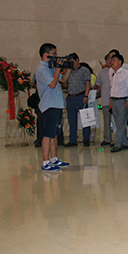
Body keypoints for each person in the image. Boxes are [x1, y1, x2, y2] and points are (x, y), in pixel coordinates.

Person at [35, 43, 70, 171]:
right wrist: (57, 70)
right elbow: (52, 84)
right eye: (54, 54)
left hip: (57, 104)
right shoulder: (42, 69)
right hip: (49, 105)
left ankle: (54, 159)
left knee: (54, 134)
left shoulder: (50, 68)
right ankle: (45, 161)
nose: (55, 56)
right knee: (47, 134)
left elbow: (63, 80)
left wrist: (68, 68)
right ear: (46, 54)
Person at [63, 53, 91, 147]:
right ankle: (73, 139)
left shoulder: (84, 70)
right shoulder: (69, 71)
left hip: (81, 96)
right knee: (71, 120)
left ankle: (86, 139)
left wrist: (86, 95)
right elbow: (64, 82)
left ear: (77, 60)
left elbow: (87, 83)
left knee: (85, 120)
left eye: (72, 61)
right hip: (70, 97)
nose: (71, 64)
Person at [109, 54, 128, 152]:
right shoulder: (113, 74)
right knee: (118, 123)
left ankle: (117, 144)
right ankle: (124, 142)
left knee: (121, 123)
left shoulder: (126, 73)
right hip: (114, 100)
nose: (112, 62)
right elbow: (112, 89)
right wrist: (111, 101)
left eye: (114, 60)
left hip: (122, 100)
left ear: (120, 62)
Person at [96, 54, 113, 147]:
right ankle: (107, 139)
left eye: (111, 59)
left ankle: (120, 139)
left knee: (118, 121)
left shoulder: (117, 71)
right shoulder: (102, 72)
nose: (110, 61)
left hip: (116, 99)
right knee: (106, 121)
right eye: (108, 60)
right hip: (106, 100)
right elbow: (98, 84)